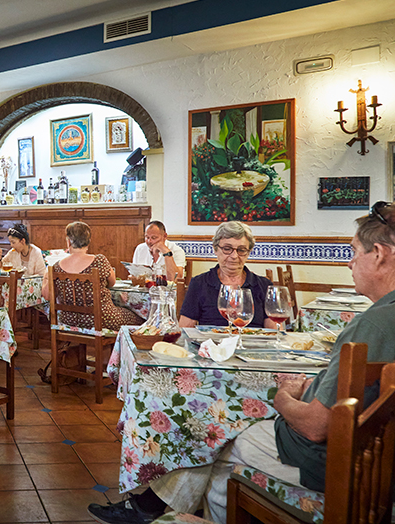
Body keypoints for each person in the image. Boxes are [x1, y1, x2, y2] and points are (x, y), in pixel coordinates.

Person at [87, 202, 395, 524]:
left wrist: (281, 395)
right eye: (227, 249)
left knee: (221, 429)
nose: (349, 263)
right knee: (223, 423)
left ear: (378, 253)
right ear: (216, 250)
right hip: (360, 449)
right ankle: (160, 508)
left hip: (328, 455)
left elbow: (316, 424)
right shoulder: (203, 284)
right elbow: (183, 327)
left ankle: (159, 509)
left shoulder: (369, 326)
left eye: (353, 252)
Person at [41, 221, 142, 330]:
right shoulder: (99, 261)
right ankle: (120, 346)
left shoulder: (56, 267)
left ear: (69, 242)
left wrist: (47, 275)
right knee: (139, 319)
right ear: (89, 241)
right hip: (103, 319)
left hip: (69, 320)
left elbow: (47, 296)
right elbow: (112, 283)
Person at [178, 221, 275, 328]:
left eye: (241, 250)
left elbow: (275, 334)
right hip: (211, 344)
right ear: (215, 249)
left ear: (248, 252)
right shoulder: (199, 283)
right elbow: (185, 330)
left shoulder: (264, 286)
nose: (234, 256)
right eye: (227, 249)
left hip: (253, 344)